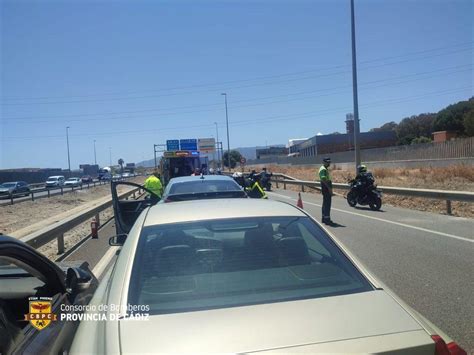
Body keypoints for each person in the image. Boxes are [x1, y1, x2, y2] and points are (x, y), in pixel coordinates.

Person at [318, 157, 334, 225]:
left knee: (325, 203)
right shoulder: (323, 169)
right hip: (326, 187)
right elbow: (324, 180)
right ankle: (327, 219)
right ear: (324, 162)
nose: (329, 163)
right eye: (327, 162)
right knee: (327, 204)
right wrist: (329, 189)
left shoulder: (324, 169)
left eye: (329, 162)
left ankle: (324, 218)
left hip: (325, 187)